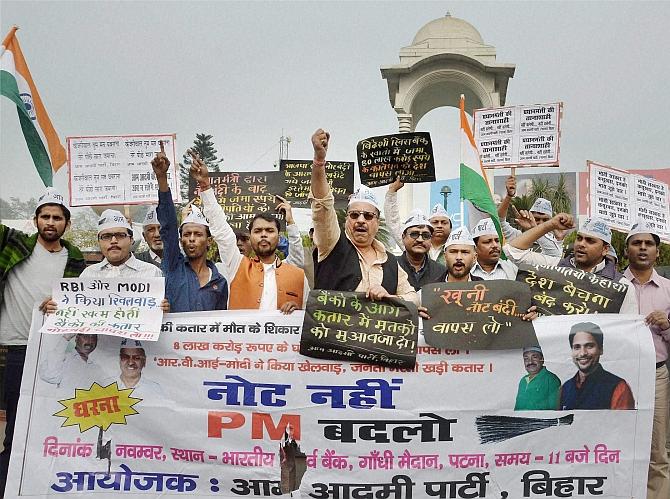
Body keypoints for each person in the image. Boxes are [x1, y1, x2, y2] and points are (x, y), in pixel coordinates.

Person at [0, 187, 86, 494]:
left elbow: (80, 302)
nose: (51, 222)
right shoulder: (12, 243)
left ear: (67, 223)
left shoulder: (75, 257)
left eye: (57, 217)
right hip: (18, 351)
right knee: (16, 428)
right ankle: (9, 487)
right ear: (35, 219)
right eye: (45, 216)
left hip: (55, 352)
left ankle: (46, 486)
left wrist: (64, 304)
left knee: (52, 424)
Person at [308, 129, 417, 304]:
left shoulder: (391, 263)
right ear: (347, 220)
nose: (360, 220)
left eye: (367, 216)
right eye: (354, 215)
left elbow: (413, 298)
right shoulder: (332, 246)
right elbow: (322, 205)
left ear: (376, 221)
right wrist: (319, 162)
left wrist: (391, 297)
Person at [194, 155, 308, 313]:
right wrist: (205, 186)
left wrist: (298, 311)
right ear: (251, 236)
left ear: (279, 235)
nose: (263, 235)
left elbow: (309, 319)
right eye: (257, 231)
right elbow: (221, 230)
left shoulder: (297, 275)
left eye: (269, 231)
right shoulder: (237, 265)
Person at [504, 214, 638, 313]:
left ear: (605, 249)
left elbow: (626, 331)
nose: (581, 244)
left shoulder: (622, 286)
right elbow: (512, 251)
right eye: (579, 238)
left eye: (590, 241)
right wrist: (549, 225)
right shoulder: (554, 267)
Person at [622, 219, 670, 498]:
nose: (642, 248)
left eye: (648, 243)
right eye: (636, 243)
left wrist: (666, 325)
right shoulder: (610, 287)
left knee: (657, 447)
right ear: (626, 249)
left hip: (656, 375)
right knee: (617, 441)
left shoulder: (668, 290)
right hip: (618, 374)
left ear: (657, 252)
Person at [151, 143, 228, 312]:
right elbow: (168, 227)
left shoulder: (220, 282)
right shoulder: (173, 267)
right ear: (181, 240)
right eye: (187, 234)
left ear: (208, 241)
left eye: (198, 234)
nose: (191, 238)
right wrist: (162, 179)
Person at [384, 181, 446, 290]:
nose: (420, 239)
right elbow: (393, 222)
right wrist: (392, 192)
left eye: (426, 235)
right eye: (414, 234)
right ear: (403, 237)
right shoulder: (390, 267)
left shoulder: (442, 271)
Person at [560, 322, 635, 410]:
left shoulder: (618, 387)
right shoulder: (565, 388)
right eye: (577, 347)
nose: (583, 353)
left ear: (601, 349)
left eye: (589, 346)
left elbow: (624, 422)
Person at [81, 209, 164, 279]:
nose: (113, 241)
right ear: (99, 241)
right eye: (106, 236)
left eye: (120, 235)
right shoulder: (88, 275)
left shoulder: (152, 273)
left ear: (131, 239)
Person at [497, 176, 565, 257]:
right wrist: (508, 196)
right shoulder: (518, 237)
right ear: (530, 217)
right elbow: (500, 221)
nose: (540, 223)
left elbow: (555, 258)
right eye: (536, 219)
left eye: (545, 220)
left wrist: (559, 240)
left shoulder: (554, 242)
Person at [514, 346, 560, 410]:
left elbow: (555, 409)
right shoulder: (523, 381)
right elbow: (517, 408)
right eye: (526, 359)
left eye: (534, 357)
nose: (530, 362)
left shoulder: (551, 379)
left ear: (542, 359)